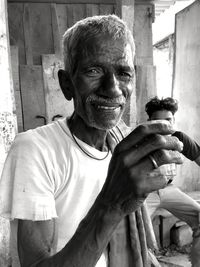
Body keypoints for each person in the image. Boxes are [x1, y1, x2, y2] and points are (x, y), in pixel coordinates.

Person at [0, 16, 183, 267]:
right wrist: (111, 204)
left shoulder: (124, 141)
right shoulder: (35, 150)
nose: (112, 88)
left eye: (123, 73)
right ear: (67, 84)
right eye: (93, 71)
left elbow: (139, 235)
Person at [145, 96, 200, 266]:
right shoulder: (140, 139)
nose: (164, 126)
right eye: (158, 121)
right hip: (145, 193)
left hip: (168, 189)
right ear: (149, 122)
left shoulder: (179, 138)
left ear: (174, 120)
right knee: (137, 233)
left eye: (168, 120)